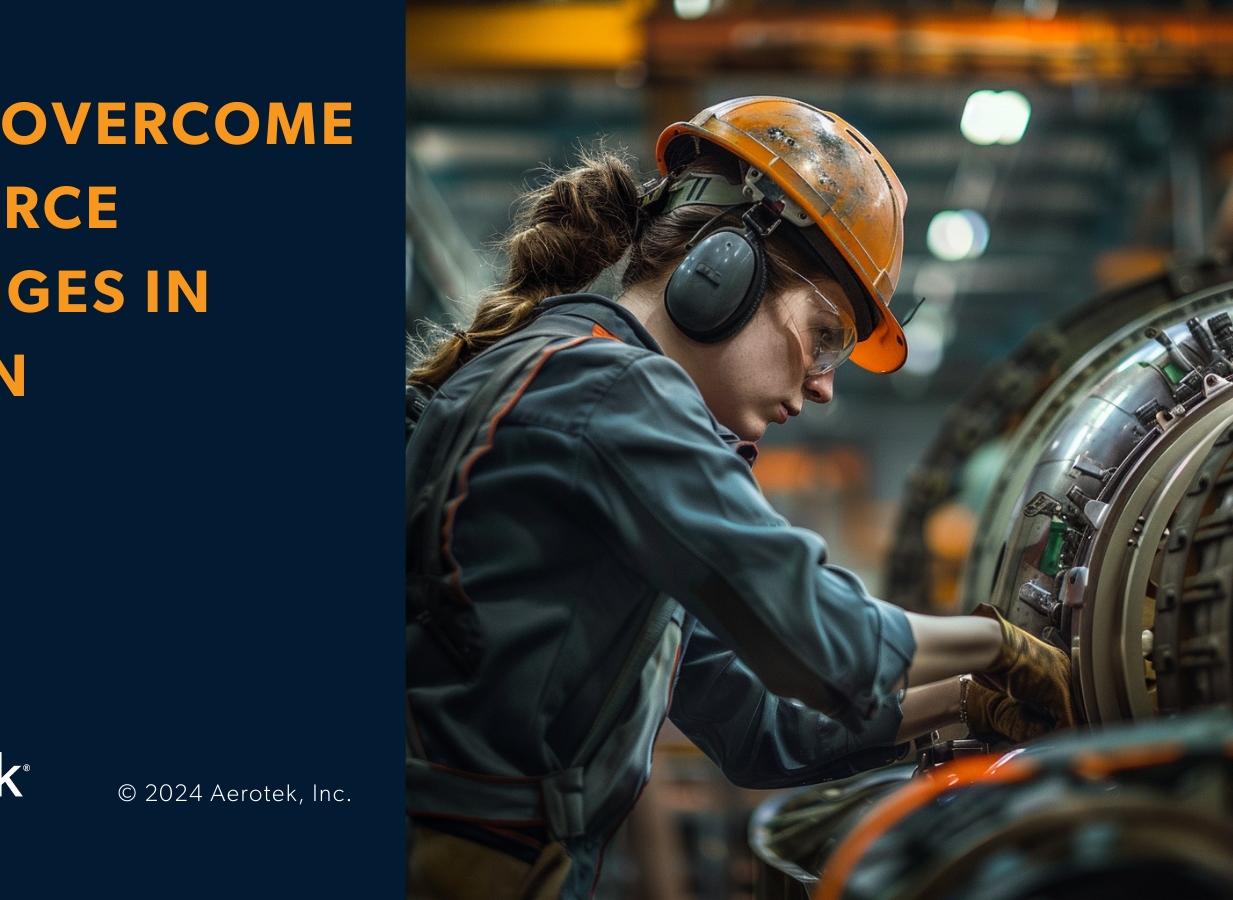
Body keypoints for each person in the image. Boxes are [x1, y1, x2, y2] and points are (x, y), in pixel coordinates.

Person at [404, 96, 1075, 900]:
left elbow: (759, 725)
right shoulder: (608, 388)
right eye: (824, 335)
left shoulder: (583, 390)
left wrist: (964, 699)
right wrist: (998, 646)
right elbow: (814, 633)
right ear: (722, 267)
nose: (824, 385)